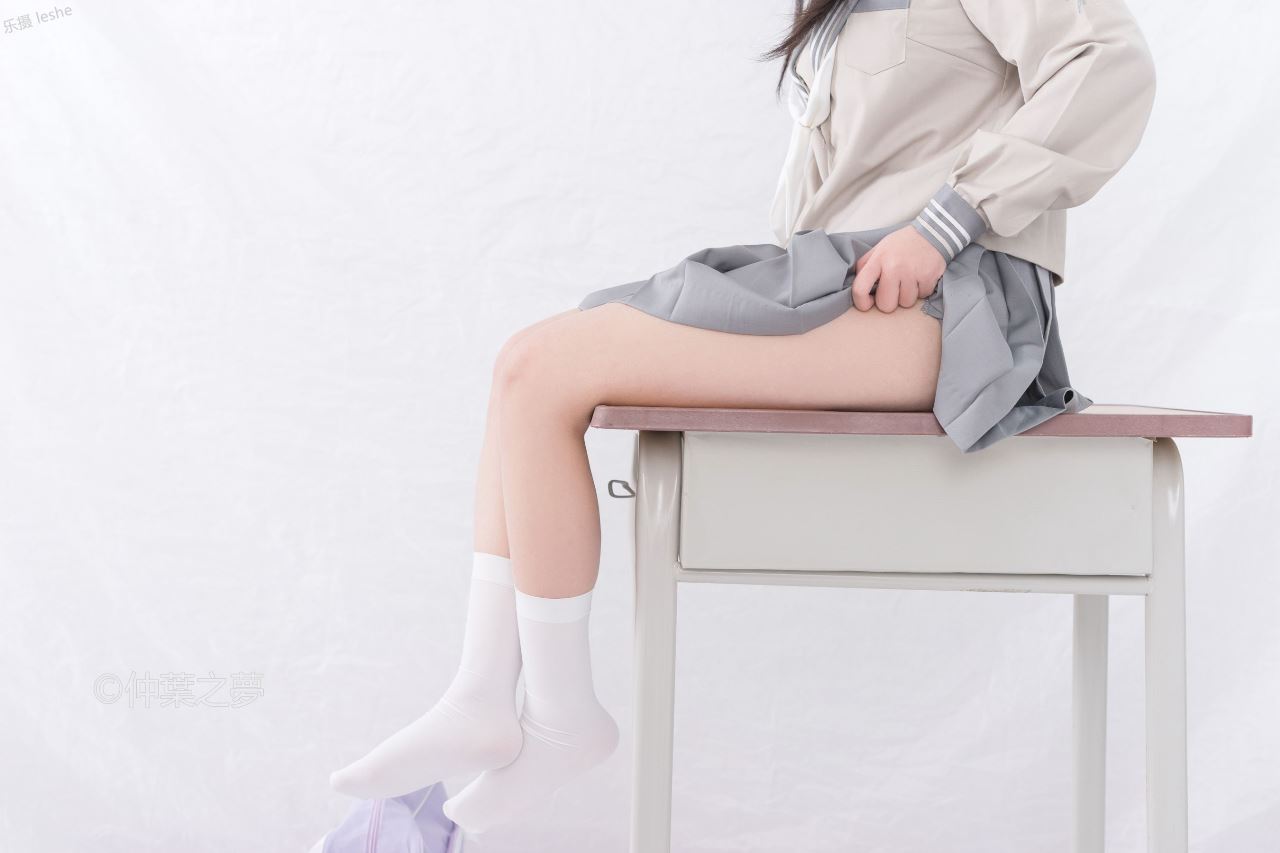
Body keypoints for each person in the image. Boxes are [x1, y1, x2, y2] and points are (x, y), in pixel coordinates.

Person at [328, 0, 1157, 834]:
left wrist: (946, 223)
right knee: (525, 367)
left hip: (949, 298)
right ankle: (484, 689)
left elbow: (1107, 63)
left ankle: (556, 715)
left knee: (543, 369)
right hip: (848, 280)